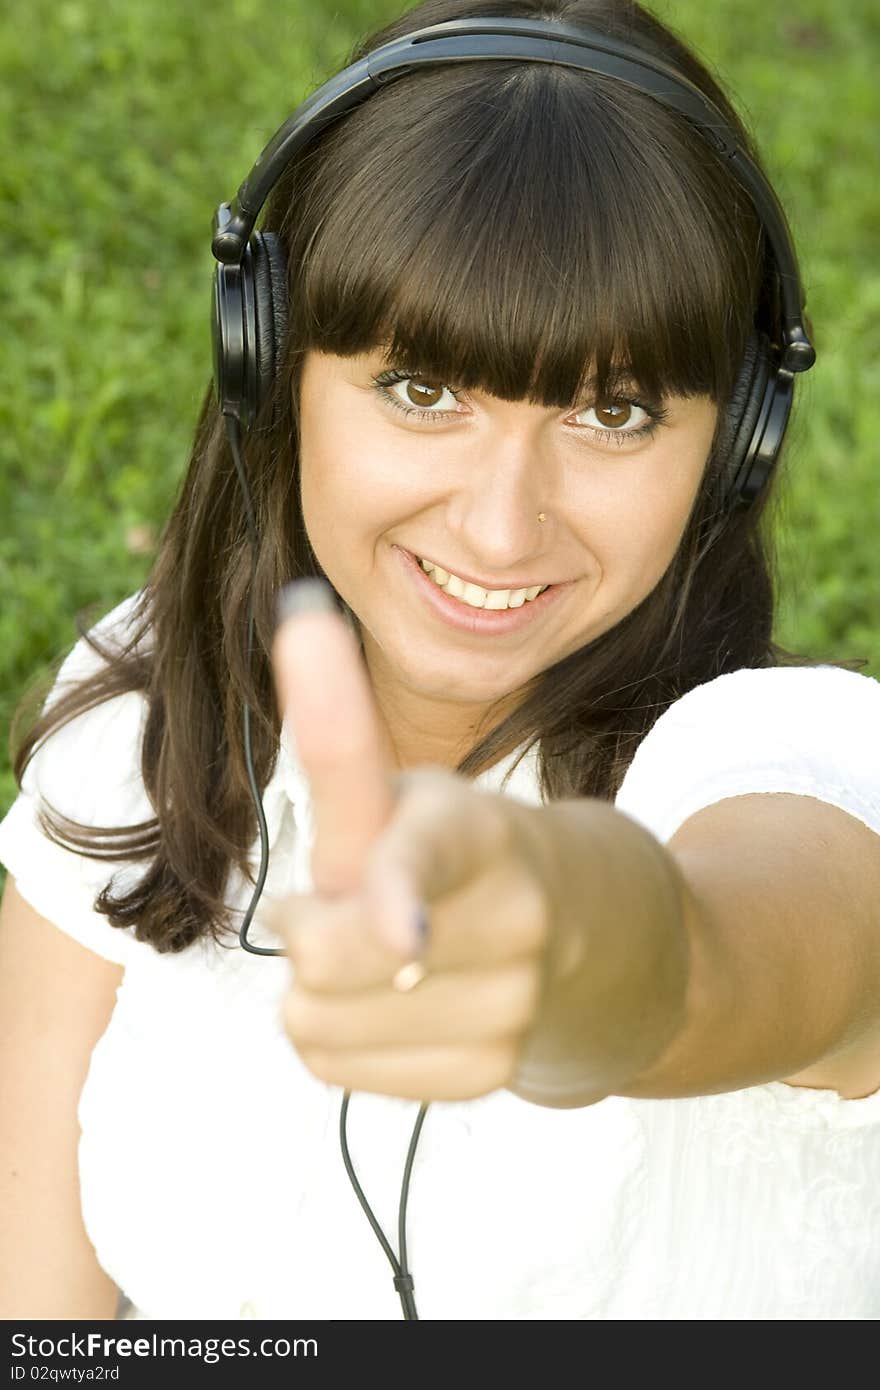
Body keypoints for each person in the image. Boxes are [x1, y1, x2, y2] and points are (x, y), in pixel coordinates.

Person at [2, 0, 879, 1324]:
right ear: (273, 361)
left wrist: (558, 934)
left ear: (733, 445)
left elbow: (723, 953)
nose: (499, 521)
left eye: (614, 411)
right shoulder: (143, 719)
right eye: (423, 390)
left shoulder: (799, 771)